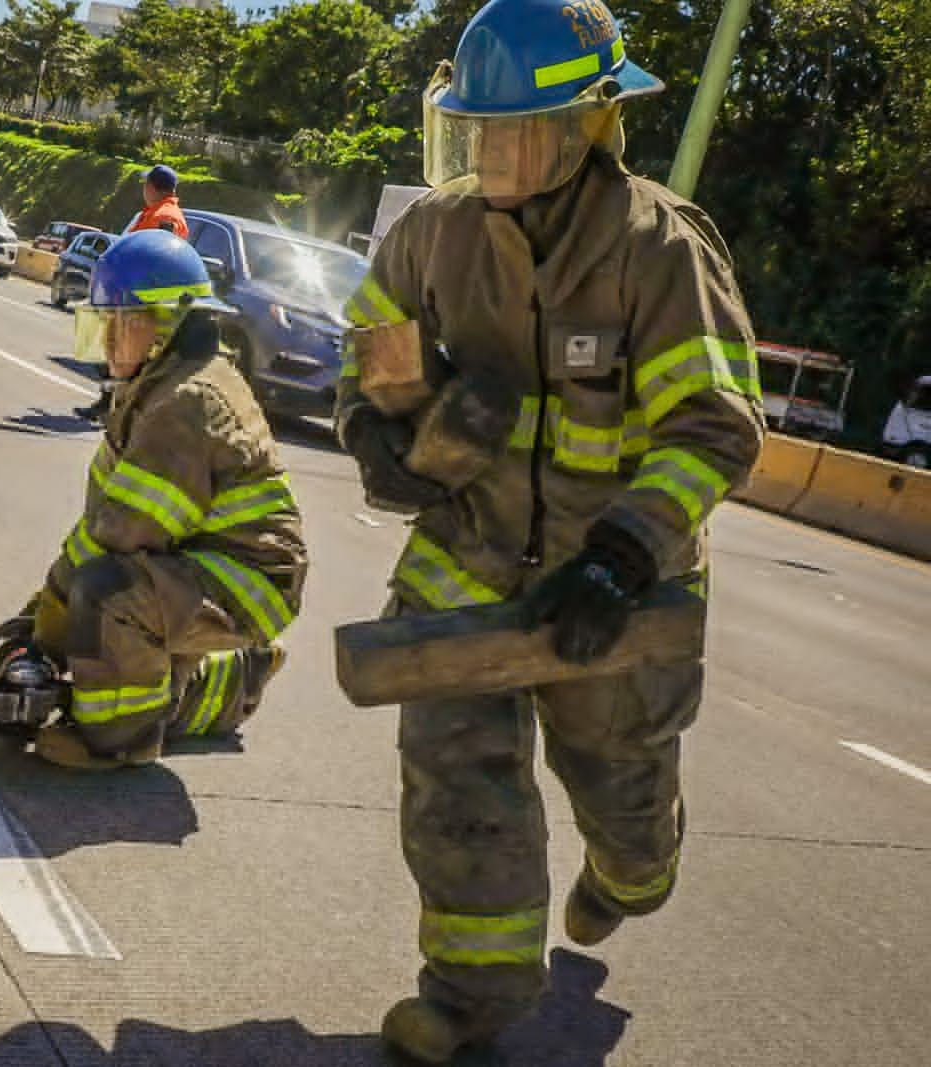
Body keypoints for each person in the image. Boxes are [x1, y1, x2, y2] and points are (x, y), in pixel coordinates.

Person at [334, 0, 764, 1061]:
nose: (487, 155)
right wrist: (370, 429)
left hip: (614, 583)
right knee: (453, 776)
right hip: (465, 560)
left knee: (617, 784)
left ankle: (633, 868)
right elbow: (369, 345)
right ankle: (468, 996)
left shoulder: (658, 247)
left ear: (588, 125)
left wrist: (623, 556)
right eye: (473, 131)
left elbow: (714, 427)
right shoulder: (433, 231)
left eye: (512, 133)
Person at [21, 230, 308, 769]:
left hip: (248, 581)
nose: (108, 341)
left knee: (108, 597)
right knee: (104, 617)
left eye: (122, 323)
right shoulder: (156, 385)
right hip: (208, 565)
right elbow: (102, 515)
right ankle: (233, 678)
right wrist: (46, 605)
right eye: (102, 323)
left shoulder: (185, 401)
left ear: (166, 325)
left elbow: (124, 532)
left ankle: (119, 739)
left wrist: (55, 613)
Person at [77, 165, 193, 421]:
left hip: (141, 297)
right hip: (131, 293)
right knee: (115, 349)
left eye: (145, 185)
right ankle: (109, 405)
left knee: (125, 353)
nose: (143, 190)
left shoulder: (165, 217)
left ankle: (121, 410)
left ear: (152, 187)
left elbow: (157, 256)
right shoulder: (154, 213)